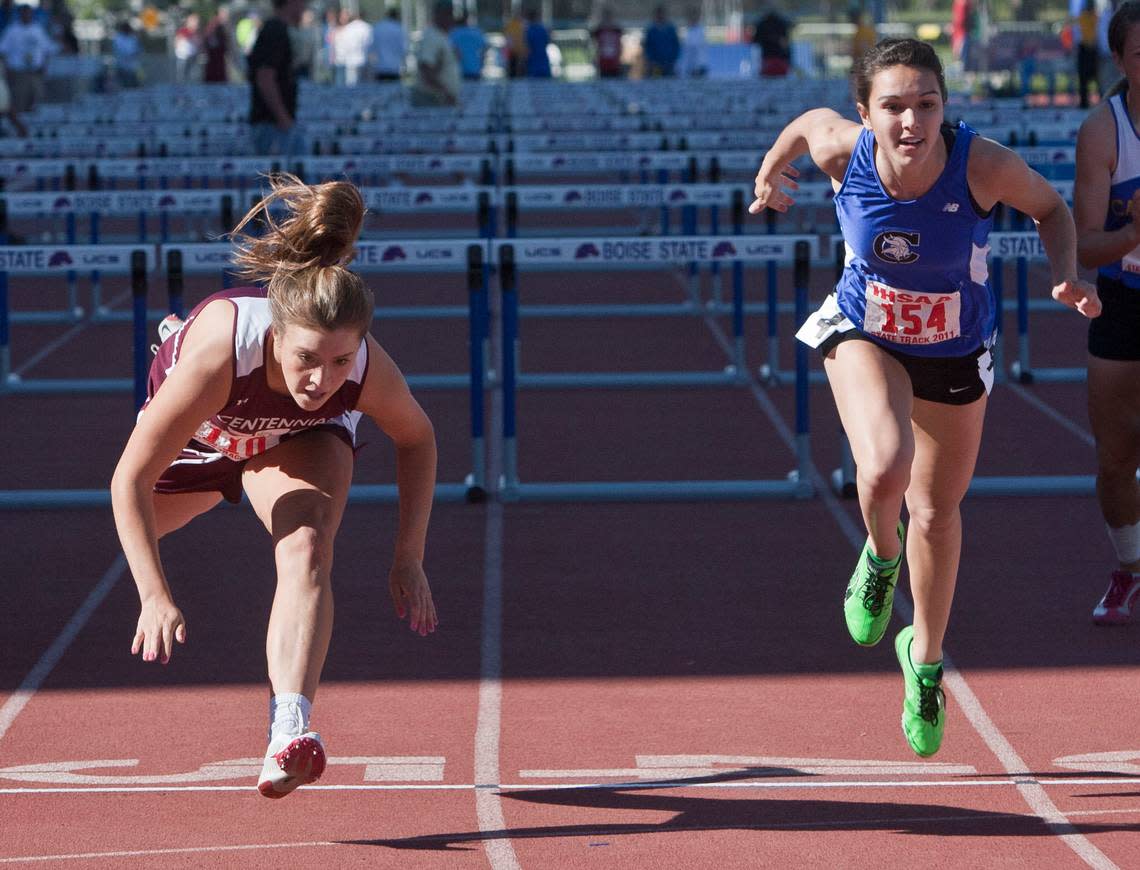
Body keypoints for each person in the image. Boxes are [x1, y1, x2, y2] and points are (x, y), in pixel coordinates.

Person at [750, 38, 1100, 757]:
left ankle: (926, 663)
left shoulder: (983, 164)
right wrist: (768, 174)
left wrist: (1067, 275)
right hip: (864, 329)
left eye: (926, 105)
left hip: (955, 348)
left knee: (937, 513)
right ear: (866, 113)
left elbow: (1054, 210)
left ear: (946, 106)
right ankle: (879, 562)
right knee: (884, 465)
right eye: (894, 107)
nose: (911, 123)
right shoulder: (842, 149)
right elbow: (803, 125)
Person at [110, 174, 439, 799]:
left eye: (340, 362)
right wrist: (153, 595)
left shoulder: (363, 369)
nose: (322, 377)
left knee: (308, 548)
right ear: (275, 336)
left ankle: (289, 728)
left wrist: (409, 555)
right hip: (209, 432)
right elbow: (128, 481)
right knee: (139, 531)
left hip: (294, 440)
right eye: (308, 359)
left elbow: (417, 438)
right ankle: (174, 332)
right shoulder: (225, 354)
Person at [1074, 0, 1140, 625]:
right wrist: (1130, 236)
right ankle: (1130, 569)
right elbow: (1082, 244)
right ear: (1120, 60)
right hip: (1123, 301)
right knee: (1116, 457)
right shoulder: (1104, 131)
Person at [247, 0, 304, 157]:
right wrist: (283, 118)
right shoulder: (275, 30)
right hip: (272, 125)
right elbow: (265, 77)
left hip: (274, 123)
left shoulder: (277, 29)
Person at [0, 4, 55, 117]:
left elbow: (47, 50)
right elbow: (3, 51)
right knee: (19, 101)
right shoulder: (12, 30)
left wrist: (44, 66)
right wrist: (7, 70)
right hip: (18, 72)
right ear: (20, 14)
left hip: (35, 72)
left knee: (36, 100)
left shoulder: (38, 29)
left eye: (28, 12)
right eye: (24, 12)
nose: (26, 15)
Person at [411, 0, 460, 105]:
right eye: (447, 14)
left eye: (451, 14)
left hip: (439, 99)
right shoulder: (432, 36)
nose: (451, 18)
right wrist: (446, 93)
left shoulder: (442, 35)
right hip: (432, 100)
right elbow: (426, 69)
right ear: (438, 15)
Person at [752, 4, 791, 77]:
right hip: (777, 59)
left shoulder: (761, 24)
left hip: (769, 59)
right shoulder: (781, 23)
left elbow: (755, 41)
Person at [642, 4, 680, 77]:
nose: (660, 16)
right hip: (654, 65)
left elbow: (676, 45)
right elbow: (647, 47)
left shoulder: (671, 29)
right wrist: (651, 60)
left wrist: (673, 60)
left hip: (669, 64)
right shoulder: (651, 30)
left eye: (662, 14)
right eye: (658, 14)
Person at [1076, 0, 1101, 107]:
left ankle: (1087, 101)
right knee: (1085, 78)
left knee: (1096, 77)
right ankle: (1084, 101)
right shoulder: (1084, 17)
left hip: (1091, 49)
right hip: (1086, 49)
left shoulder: (1095, 17)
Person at [371, 6, 407, 81]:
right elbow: (403, 49)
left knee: (380, 91)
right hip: (394, 68)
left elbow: (372, 48)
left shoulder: (378, 27)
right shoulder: (399, 29)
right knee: (394, 91)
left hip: (380, 68)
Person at [450, 11, 486, 81]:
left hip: (459, 71)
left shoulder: (454, 33)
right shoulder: (477, 33)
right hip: (475, 69)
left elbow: (453, 51)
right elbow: (483, 50)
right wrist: (481, 64)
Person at [591, 6, 622, 78]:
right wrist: (595, 58)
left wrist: (620, 58)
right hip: (603, 62)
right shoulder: (599, 30)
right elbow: (595, 44)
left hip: (614, 62)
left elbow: (620, 45)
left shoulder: (616, 30)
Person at [110, 19, 142, 90]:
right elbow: (119, 51)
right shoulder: (118, 38)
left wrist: (133, 55)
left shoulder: (133, 38)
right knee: (122, 86)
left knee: (133, 87)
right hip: (121, 66)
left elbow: (137, 50)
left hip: (132, 67)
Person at [678, 6, 707, 78]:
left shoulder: (700, 30)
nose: (692, 19)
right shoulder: (687, 31)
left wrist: (697, 67)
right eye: (691, 17)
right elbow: (686, 50)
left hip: (699, 66)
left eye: (694, 17)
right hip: (689, 67)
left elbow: (696, 47)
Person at [523, 6, 551, 78]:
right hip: (544, 64)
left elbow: (527, 49)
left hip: (533, 66)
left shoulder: (529, 31)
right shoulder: (543, 29)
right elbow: (547, 42)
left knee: (534, 87)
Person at [503, 6, 527, 78]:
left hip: (521, 55)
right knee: (514, 75)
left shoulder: (524, 25)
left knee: (520, 76)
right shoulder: (511, 25)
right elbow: (508, 41)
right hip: (513, 55)